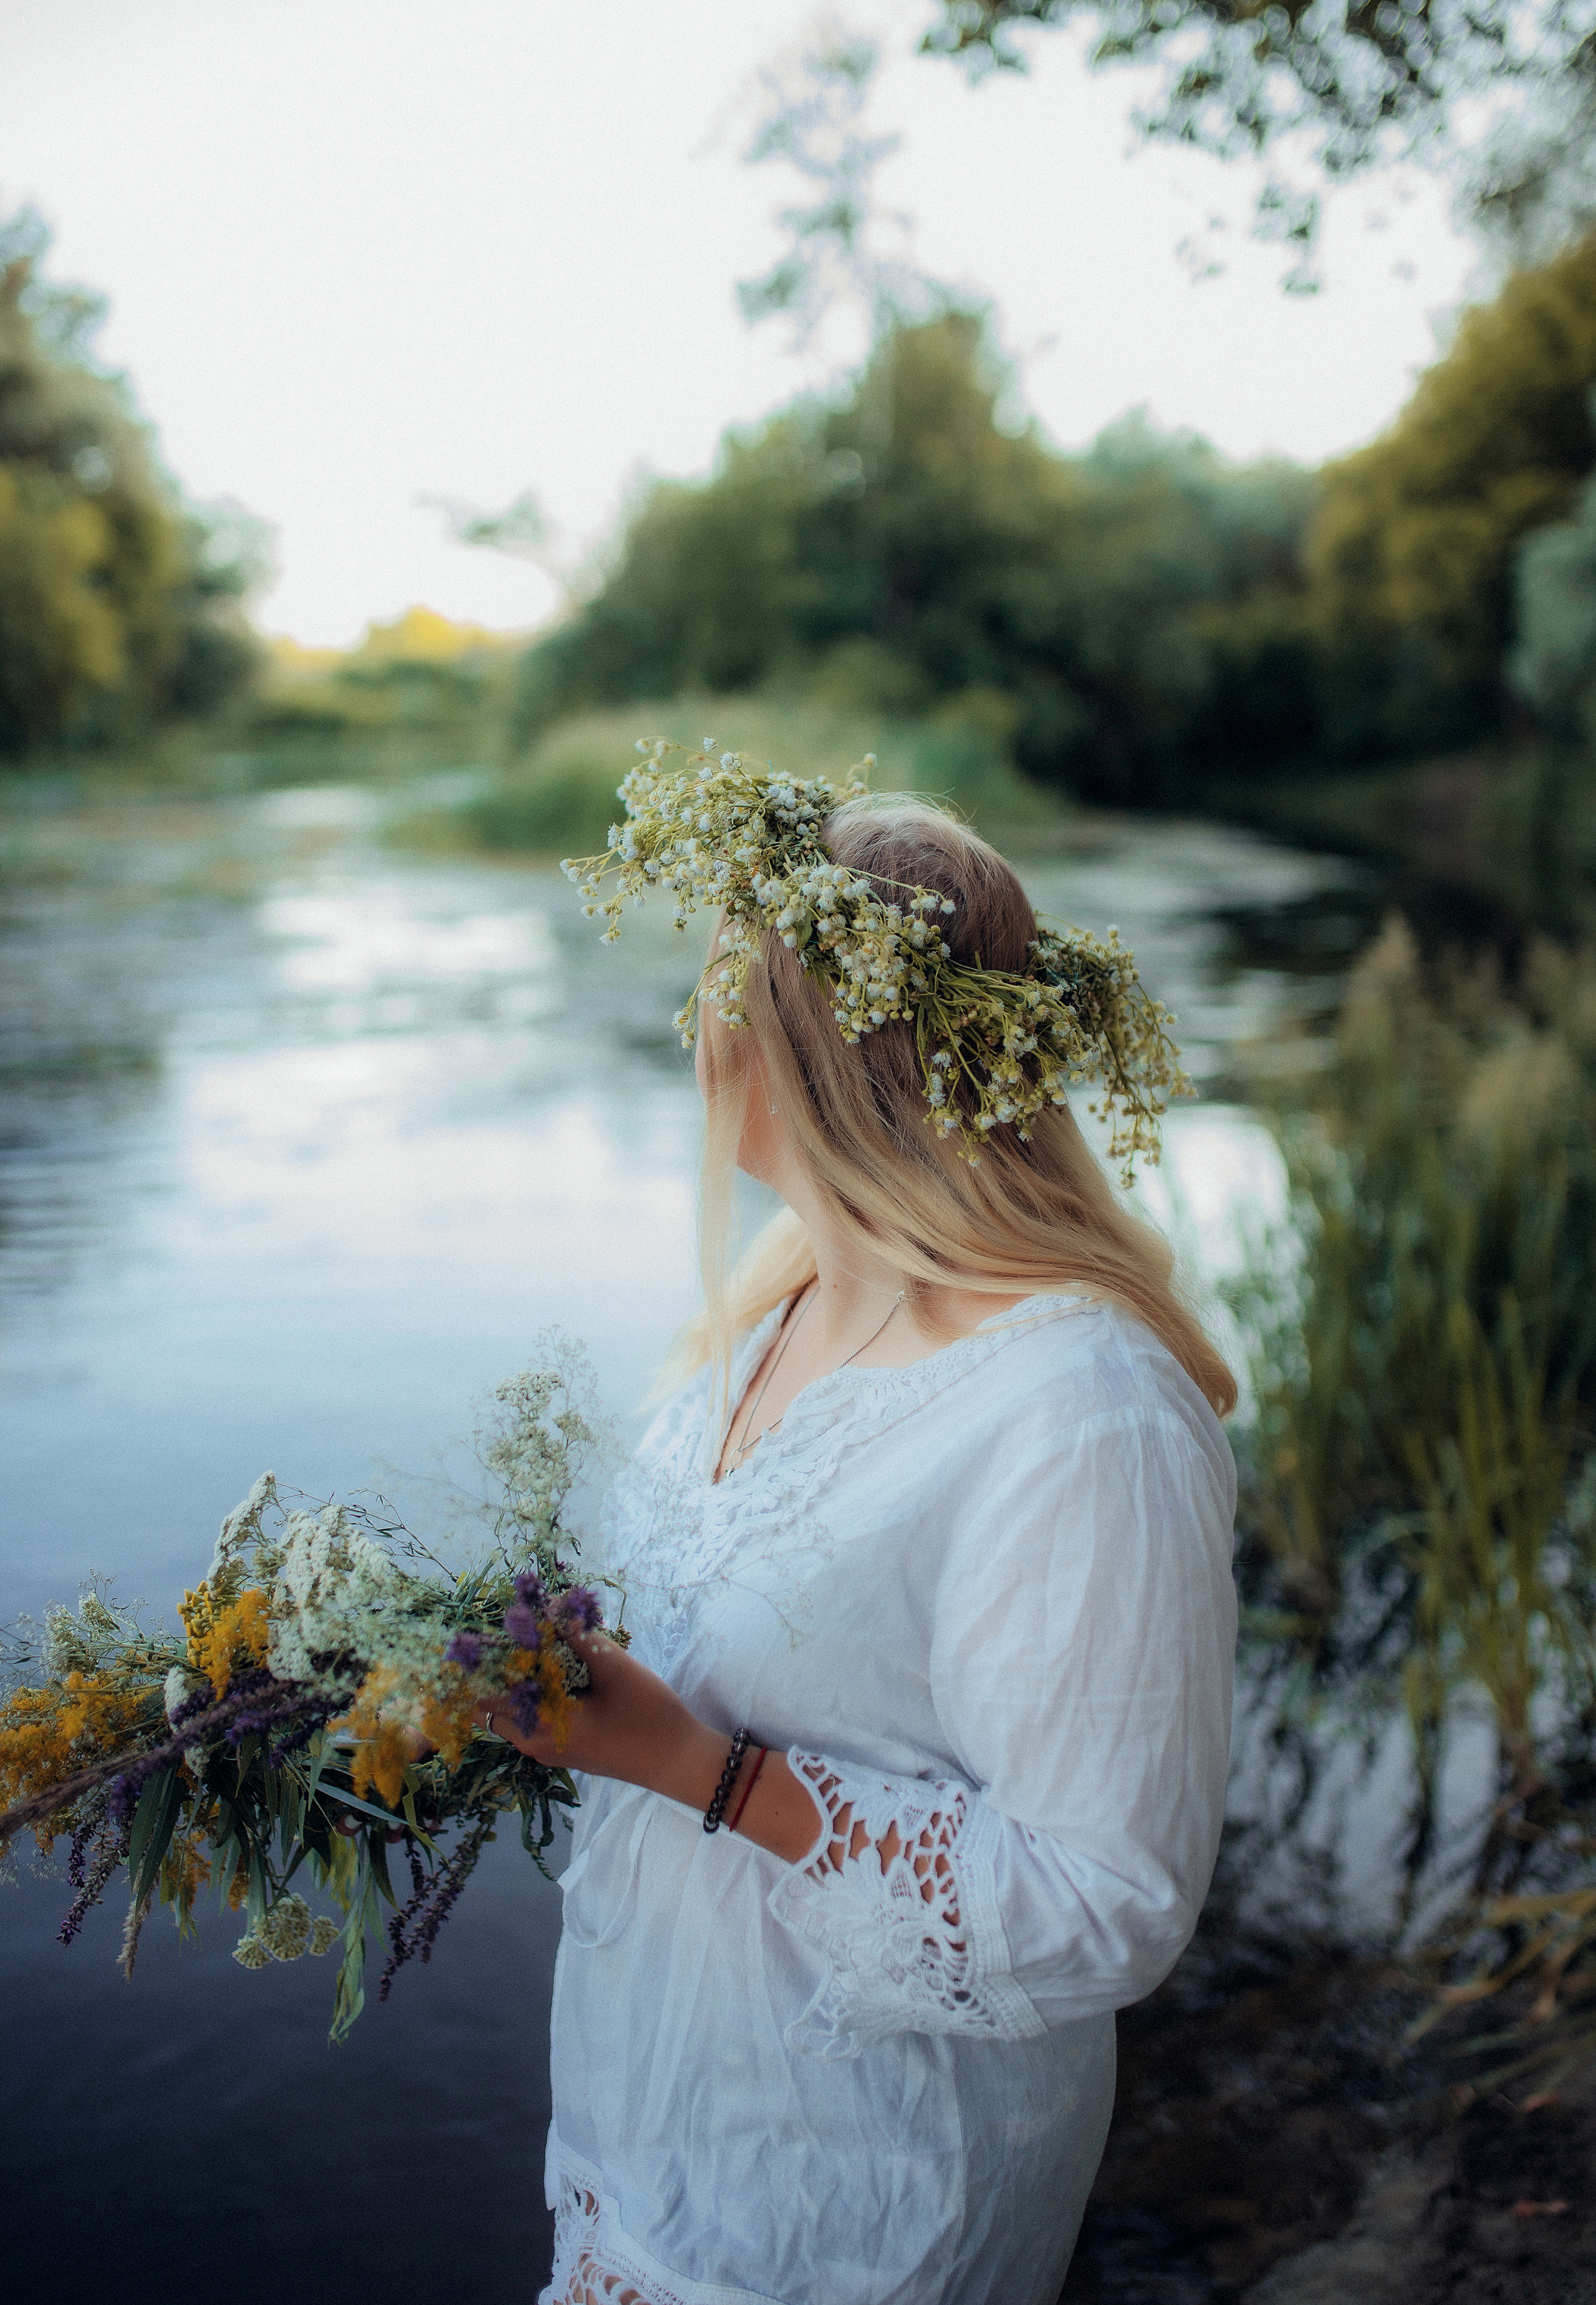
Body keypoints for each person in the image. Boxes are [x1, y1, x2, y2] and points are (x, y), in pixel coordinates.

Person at [478, 756, 1238, 2305]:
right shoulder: (784, 1293)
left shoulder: (1077, 1406)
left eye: (722, 993)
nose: (695, 1036)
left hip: (858, 2205)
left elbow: (1107, 1904)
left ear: (819, 1053)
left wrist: (697, 1767)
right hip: (645, 2127)